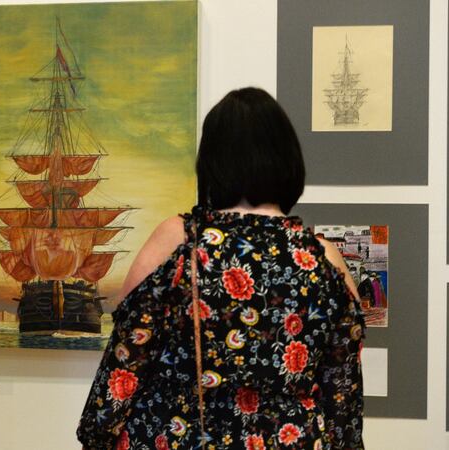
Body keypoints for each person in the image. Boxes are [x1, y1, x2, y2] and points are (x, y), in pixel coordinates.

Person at [77, 88, 365, 449]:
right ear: (288, 159)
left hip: (182, 437)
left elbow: (126, 359)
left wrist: (96, 434)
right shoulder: (323, 258)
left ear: (212, 161)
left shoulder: (179, 241)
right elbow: (342, 394)